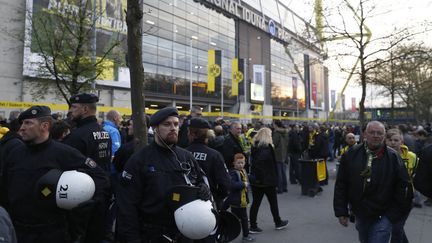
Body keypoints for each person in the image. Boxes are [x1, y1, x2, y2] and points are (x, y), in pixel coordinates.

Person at [0, 106, 109, 242]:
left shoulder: (63, 153)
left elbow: (100, 177)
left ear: (44, 126)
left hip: (51, 232)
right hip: (17, 230)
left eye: (28, 123)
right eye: (22, 123)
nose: (22, 127)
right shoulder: (14, 153)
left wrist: (81, 201)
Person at [116, 107, 212, 243]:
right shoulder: (139, 160)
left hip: (184, 232)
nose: (173, 128)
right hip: (152, 234)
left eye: (176, 124)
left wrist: (203, 188)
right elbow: (127, 205)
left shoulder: (186, 156)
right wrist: (133, 238)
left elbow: (201, 179)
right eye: (167, 124)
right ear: (155, 128)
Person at [334, 121, 413, 243]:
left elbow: (403, 187)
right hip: (360, 212)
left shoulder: (393, 157)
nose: (376, 135)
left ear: (384, 135)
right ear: (365, 134)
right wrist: (341, 211)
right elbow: (342, 183)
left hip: (384, 214)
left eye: (379, 133)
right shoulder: (351, 154)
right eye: (372, 132)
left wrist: (393, 215)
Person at [63, 93, 112, 243]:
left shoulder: (77, 136)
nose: (71, 110)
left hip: (83, 198)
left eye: (74, 107)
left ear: (85, 110)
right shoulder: (104, 133)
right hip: (102, 194)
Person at [248, 127, 289, 234]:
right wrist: (262, 179)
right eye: (270, 134)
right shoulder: (266, 148)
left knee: (256, 203)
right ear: (267, 136)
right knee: (272, 203)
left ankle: (253, 225)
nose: (271, 136)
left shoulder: (256, 146)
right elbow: (260, 164)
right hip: (266, 181)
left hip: (259, 181)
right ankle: (277, 222)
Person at [186, 118, 231, 210]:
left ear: (193, 134)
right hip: (209, 203)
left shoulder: (183, 153)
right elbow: (225, 184)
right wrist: (217, 197)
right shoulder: (214, 155)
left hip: (186, 203)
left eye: (188, 132)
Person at [385, 128, 417, 243]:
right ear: (385, 141)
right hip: (388, 199)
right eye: (389, 140)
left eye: (396, 140)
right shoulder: (381, 157)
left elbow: (418, 173)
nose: (393, 142)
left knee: (396, 228)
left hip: (406, 199)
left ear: (401, 142)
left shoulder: (411, 157)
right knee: (397, 228)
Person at [225, 153, 254, 242]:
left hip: (242, 200)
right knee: (243, 219)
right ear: (234, 163)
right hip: (237, 201)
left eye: (242, 163)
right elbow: (232, 185)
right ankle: (245, 235)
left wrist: (254, 178)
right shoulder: (233, 173)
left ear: (245, 163)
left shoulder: (243, 171)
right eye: (238, 163)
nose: (240, 165)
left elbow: (247, 178)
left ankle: (227, 234)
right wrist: (243, 184)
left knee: (236, 219)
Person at [272, 120, 289, 193]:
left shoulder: (276, 133)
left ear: (276, 125)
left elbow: (274, 143)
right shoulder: (285, 133)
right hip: (284, 154)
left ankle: (280, 188)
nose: (273, 125)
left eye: (273, 124)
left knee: (278, 172)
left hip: (277, 154)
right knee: (283, 172)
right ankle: (285, 187)